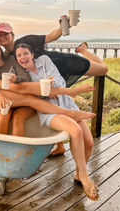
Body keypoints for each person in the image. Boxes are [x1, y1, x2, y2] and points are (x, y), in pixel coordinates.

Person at [15, 43, 98, 201]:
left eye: (25, 53)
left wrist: (54, 85)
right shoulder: (23, 75)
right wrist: (47, 91)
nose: (22, 58)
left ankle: (78, 174)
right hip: (49, 111)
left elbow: (60, 81)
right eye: (18, 55)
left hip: (67, 103)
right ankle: (86, 178)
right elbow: (34, 94)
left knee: (89, 143)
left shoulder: (45, 60)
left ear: (32, 54)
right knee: (75, 131)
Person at [0, 38, 94, 137]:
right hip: (12, 98)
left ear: (0, 50)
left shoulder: (12, 60)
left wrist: (15, 79)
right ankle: (2, 151)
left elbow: (24, 77)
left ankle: (70, 92)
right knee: (2, 108)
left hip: (23, 97)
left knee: (18, 100)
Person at [0, 22, 108, 87]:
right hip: (50, 79)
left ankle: (82, 50)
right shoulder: (5, 57)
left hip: (63, 63)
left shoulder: (26, 40)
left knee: (103, 69)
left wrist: (64, 26)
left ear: (12, 35)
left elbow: (51, 37)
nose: (2, 36)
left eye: (5, 33)